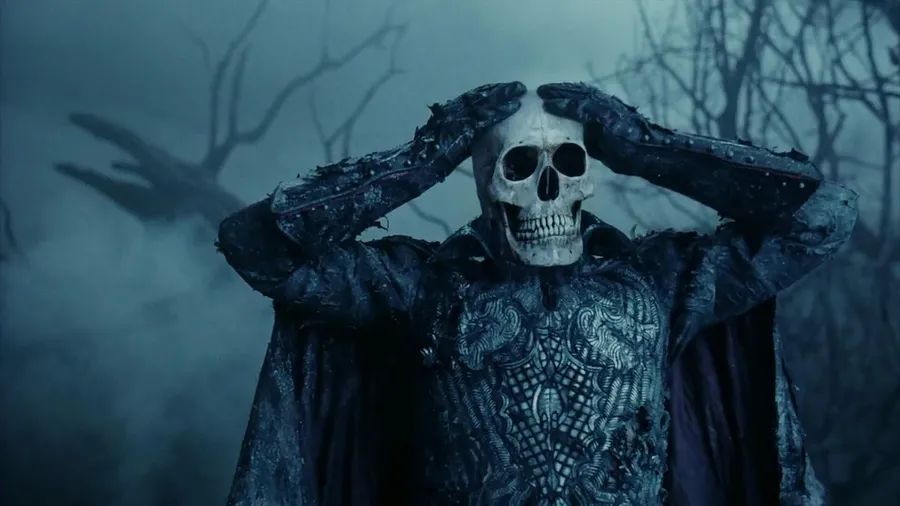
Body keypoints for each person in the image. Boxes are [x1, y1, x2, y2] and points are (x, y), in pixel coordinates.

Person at [217, 82, 857, 506]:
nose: (548, 190)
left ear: (587, 176)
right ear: (483, 183)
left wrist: (644, 146)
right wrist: (425, 157)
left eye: (568, 165)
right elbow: (256, 246)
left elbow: (822, 218)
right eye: (519, 167)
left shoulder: (660, 283)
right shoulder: (423, 290)